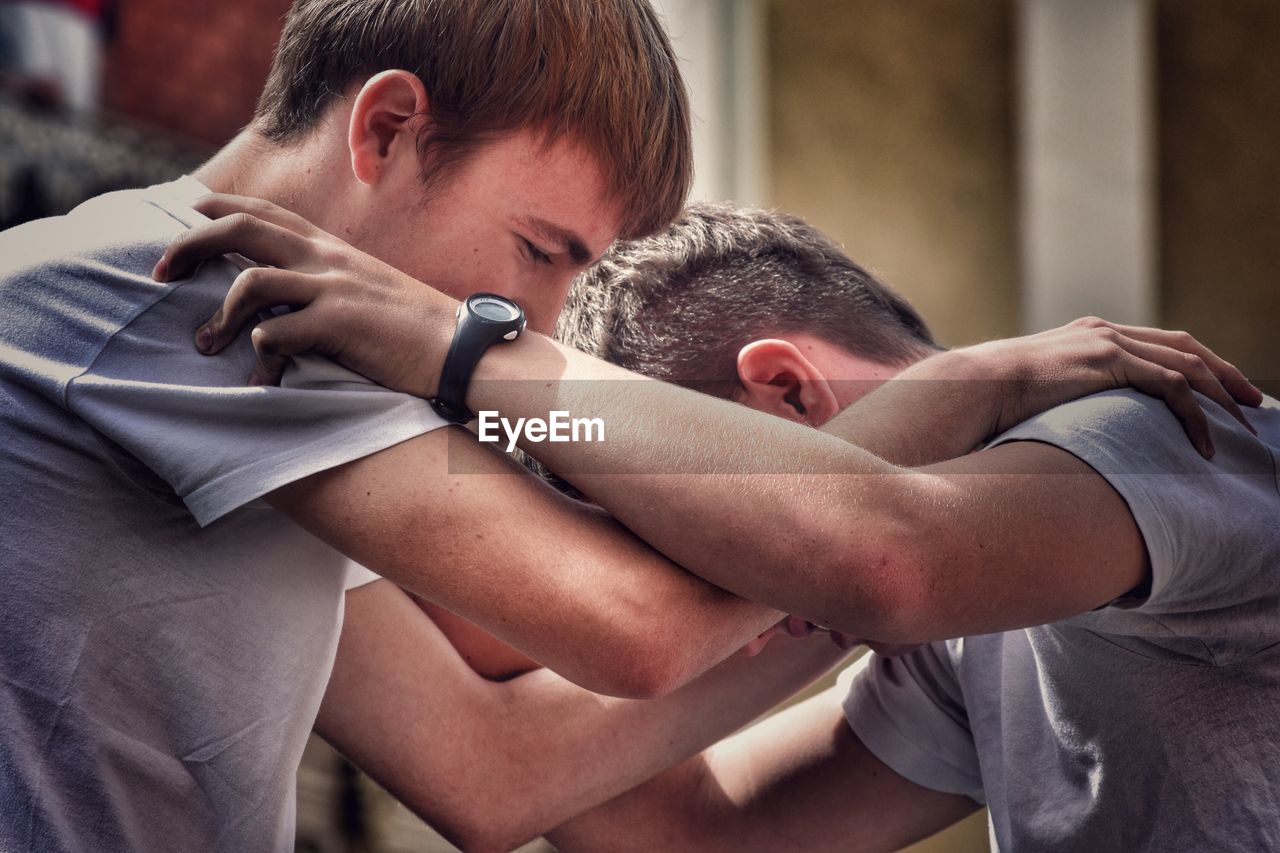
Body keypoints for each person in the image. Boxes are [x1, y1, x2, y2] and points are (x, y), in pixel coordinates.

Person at [166, 200, 1279, 849]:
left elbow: (882, 555)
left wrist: (459, 351)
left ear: (786, 396)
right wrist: (351, 472)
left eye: (682, 536)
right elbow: (684, 833)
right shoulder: (964, 635)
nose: (695, 586)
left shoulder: (1150, 424)